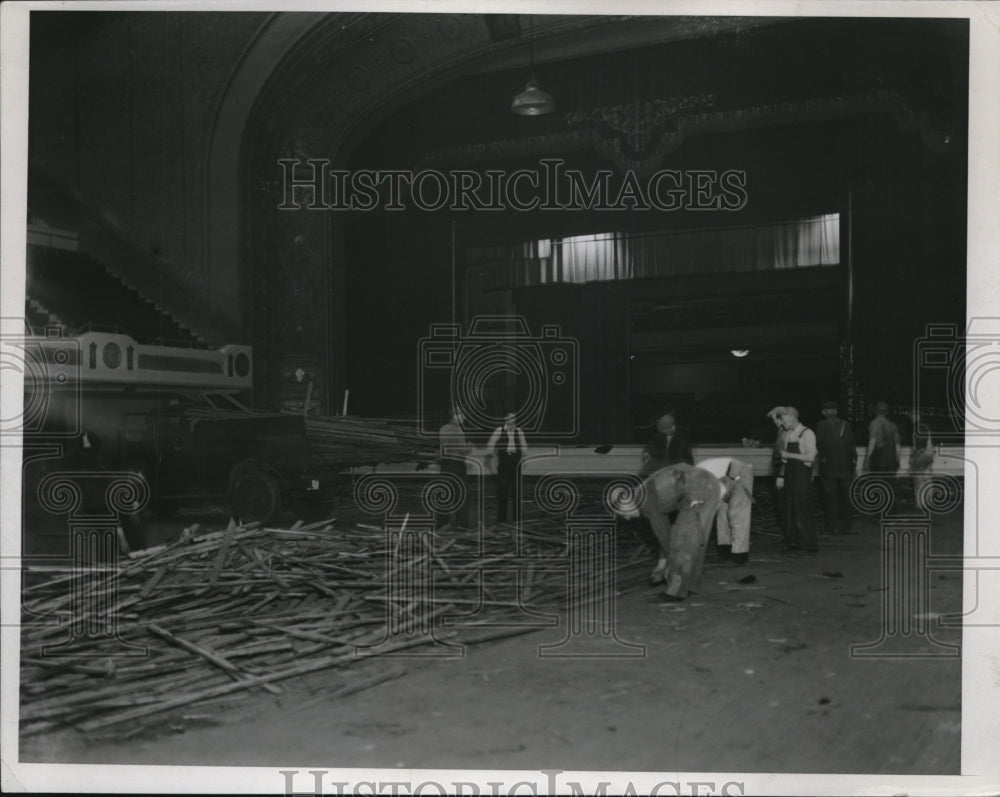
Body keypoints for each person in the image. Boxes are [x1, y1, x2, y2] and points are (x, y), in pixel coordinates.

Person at [618, 463, 722, 601]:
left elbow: (664, 537)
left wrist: (669, 566)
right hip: (709, 486)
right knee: (693, 540)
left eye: (623, 513)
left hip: (699, 489)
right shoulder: (647, 493)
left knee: (681, 537)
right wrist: (661, 565)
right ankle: (688, 586)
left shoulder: (644, 501)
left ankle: (675, 592)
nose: (627, 518)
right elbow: (666, 530)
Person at [697, 456, 754, 565]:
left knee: (737, 514)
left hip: (738, 473)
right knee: (722, 515)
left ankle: (739, 555)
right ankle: (725, 552)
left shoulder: (697, 476)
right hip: (723, 477)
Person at [779, 407, 817, 552]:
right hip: (791, 476)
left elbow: (810, 457)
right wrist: (781, 476)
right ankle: (793, 543)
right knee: (791, 509)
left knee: (802, 509)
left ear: (792, 418)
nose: (782, 424)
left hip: (802, 476)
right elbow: (785, 459)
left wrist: (789, 455)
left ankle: (807, 545)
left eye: (783, 420)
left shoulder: (807, 433)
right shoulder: (788, 434)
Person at [816, 400, 858, 535]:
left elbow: (819, 445)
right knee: (846, 496)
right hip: (846, 467)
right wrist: (853, 465)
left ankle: (832, 526)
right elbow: (852, 447)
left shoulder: (822, 425)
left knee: (830, 497)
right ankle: (846, 526)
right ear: (836, 411)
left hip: (828, 466)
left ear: (823, 412)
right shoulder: (847, 425)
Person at [486, 412, 528, 524]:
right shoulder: (499, 431)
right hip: (504, 462)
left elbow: (524, 447)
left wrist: (523, 461)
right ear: (505, 419)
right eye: (509, 418)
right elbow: (490, 445)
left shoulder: (519, 432)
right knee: (503, 490)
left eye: (513, 418)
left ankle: (517, 519)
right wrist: (495, 458)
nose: (511, 420)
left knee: (517, 490)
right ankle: (501, 519)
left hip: (516, 461)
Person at [437, 407, 474, 530]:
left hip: (445, 466)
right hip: (457, 466)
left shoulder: (442, 429)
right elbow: (462, 451)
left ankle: (442, 525)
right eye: (463, 416)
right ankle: (462, 525)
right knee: (462, 496)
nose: (464, 418)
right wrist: (470, 447)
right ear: (457, 415)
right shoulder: (458, 430)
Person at [640, 410, 694, 476]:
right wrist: (646, 452)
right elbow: (651, 446)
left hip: (676, 473)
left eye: (665, 429)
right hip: (659, 472)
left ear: (673, 428)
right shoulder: (658, 436)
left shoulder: (682, 439)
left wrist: (681, 471)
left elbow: (687, 460)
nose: (663, 432)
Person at [908, 409, 935, 511]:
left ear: (916, 416)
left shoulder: (917, 427)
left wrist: (913, 457)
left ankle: (920, 503)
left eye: (912, 415)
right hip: (928, 454)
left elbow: (919, 444)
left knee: (918, 480)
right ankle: (929, 501)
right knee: (927, 479)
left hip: (921, 455)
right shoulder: (926, 426)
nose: (910, 418)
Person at [767, 406, 788, 532]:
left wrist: (781, 475)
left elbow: (786, 456)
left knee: (783, 500)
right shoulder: (781, 430)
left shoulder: (786, 432)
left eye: (775, 419)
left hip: (782, 469)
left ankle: (787, 529)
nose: (774, 422)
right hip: (779, 468)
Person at [865, 401, 901, 474]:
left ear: (876, 411)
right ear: (887, 412)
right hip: (891, 462)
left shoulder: (874, 423)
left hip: (878, 461)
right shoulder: (892, 425)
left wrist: (867, 459)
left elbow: (872, 443)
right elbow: (897, 445)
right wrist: (897, 459)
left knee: (878, 484)